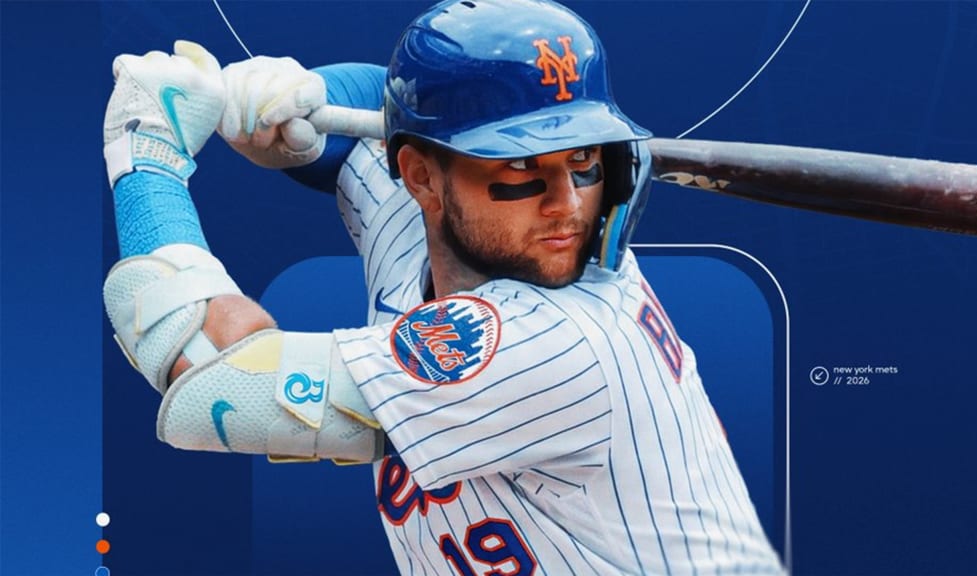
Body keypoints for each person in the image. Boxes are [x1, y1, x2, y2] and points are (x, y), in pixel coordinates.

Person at [101, 0, 785, 573]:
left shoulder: (559, 342)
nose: (567, 205)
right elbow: (380, 100)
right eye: (520, 167)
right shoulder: (434, 225)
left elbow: (213, 381)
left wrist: (146, 153)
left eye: (584, 160)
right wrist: (303, 98)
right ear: (422, 178)